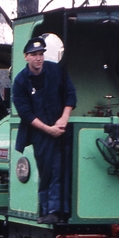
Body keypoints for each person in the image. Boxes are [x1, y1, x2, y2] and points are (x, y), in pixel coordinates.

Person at [12, 37, 77, 224]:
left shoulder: (56, 71)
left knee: (63, 168)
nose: (38, 58)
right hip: (40, 133)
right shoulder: (20, 82)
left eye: (41, 54)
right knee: (47, 169)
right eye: (34, 55)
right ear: (26, 57)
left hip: (62, 129)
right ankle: (49, 210)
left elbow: (71, 95)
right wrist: (48, 129)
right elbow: (26, 113)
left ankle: (61, 210)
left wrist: (64, 119)